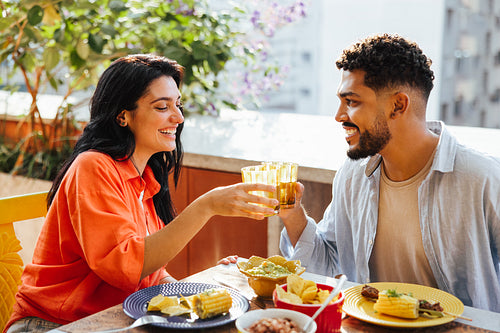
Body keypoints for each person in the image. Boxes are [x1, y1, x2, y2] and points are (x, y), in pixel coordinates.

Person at [5, 54, 278, 333]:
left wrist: (206, 293)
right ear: (123, 115)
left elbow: (150, 276)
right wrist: (205, 206)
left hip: (114, 320)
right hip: (52, 324)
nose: (178, 117)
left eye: (178, 105)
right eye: (162, 107)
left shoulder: (146, 178)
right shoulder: (93, 166)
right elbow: (125, 267)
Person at [279, 34, 500, 312]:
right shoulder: (353, 175)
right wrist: (293, 215)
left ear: (398, 105)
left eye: (352, 102)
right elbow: (327, 263)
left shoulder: (483, 178)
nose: (338, 115)